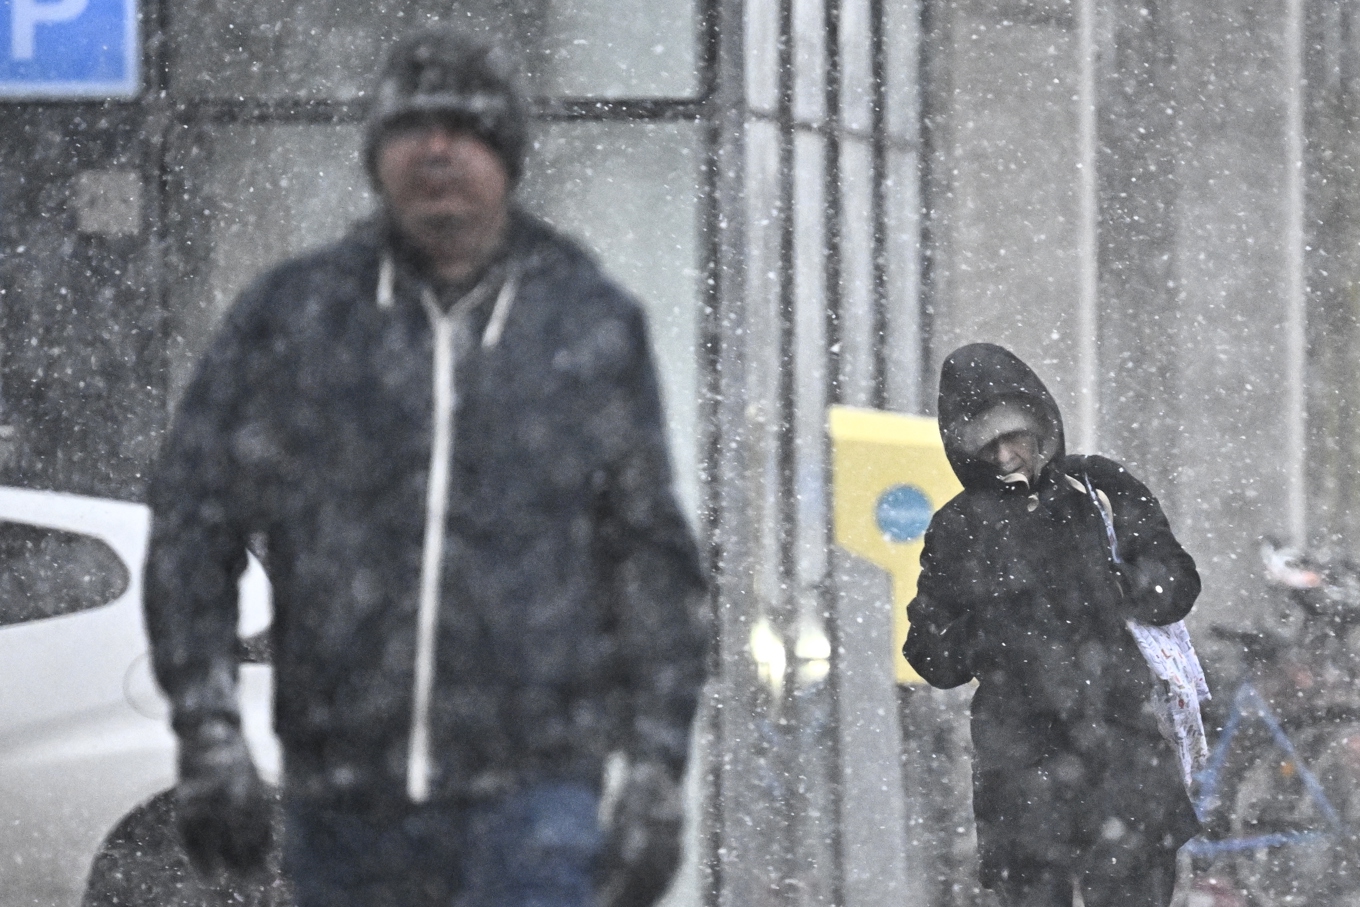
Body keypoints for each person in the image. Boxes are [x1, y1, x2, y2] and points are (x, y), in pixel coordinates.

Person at [142, 26, 708, 907]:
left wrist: (657, 765)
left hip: (536, 791)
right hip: (347, 796)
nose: (437, 148)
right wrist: (207, 726)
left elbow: (647, 554)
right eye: (412, 128)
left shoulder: (587, 327)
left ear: (508, 157)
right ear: (377, 157)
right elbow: (194, 522)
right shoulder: (297, 320)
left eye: (465, 127)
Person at [903, 343, 1201, 907]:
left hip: (1124, 765)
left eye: (1015, 435)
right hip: (1025, 784)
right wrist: (993, 626)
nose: (1006, 455)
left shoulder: (1098, 490)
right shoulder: (959, 528)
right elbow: (930, 655)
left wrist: (1126, 584)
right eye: (986, 444)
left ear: (1043, 424)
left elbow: (1176, 587)